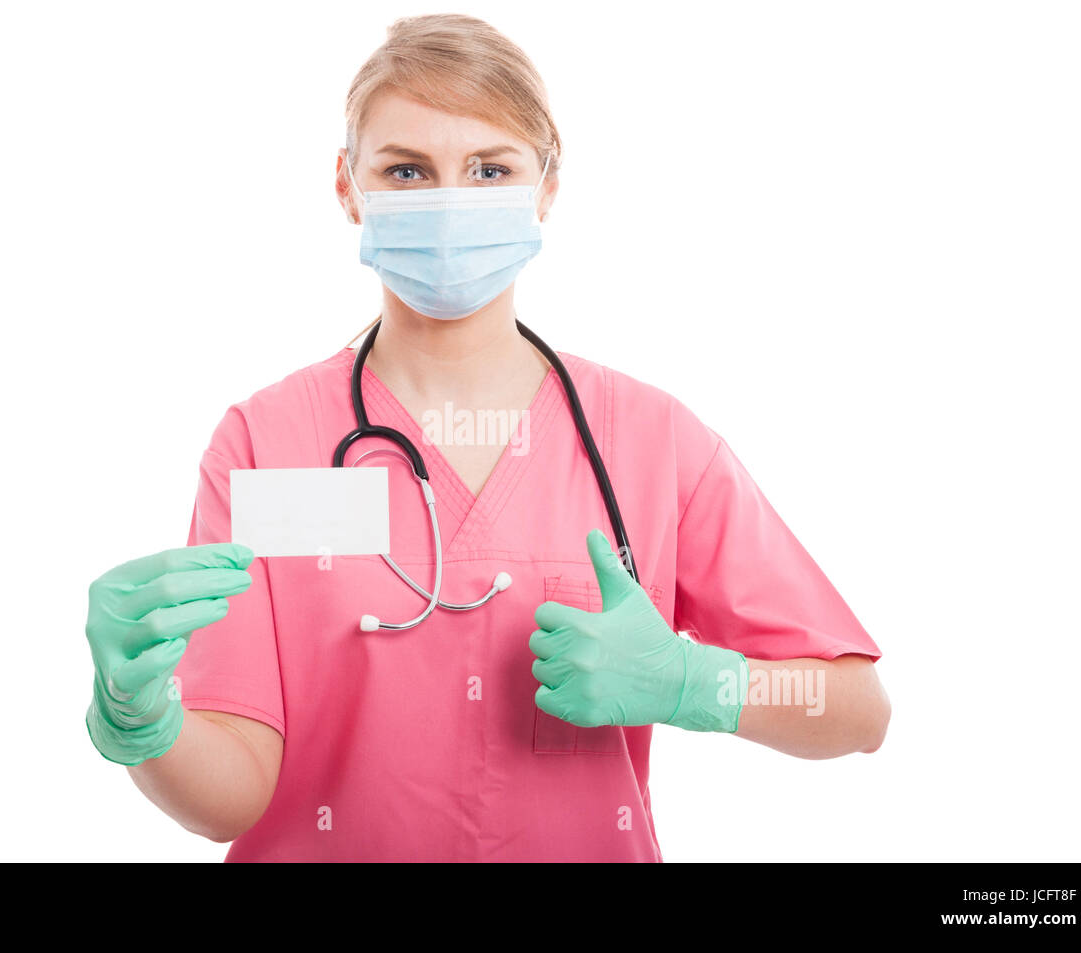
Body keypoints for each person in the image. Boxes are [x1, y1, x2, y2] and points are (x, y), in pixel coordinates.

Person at [83, 13, 890, 862]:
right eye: (405, 170)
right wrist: (142, 718)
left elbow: (857, 706)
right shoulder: (267, 440)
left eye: (489, 169)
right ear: (346, 187)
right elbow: (232, 798)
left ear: (545, 186)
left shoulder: (653, 443)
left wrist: (696, 685)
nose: (447, 203)